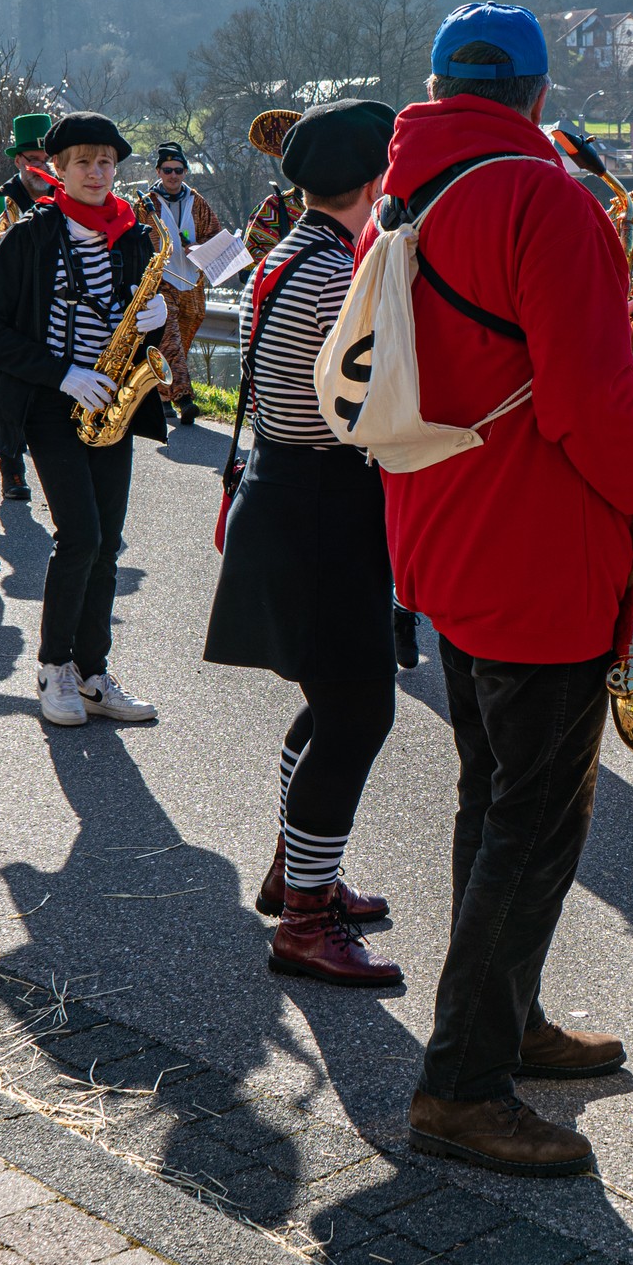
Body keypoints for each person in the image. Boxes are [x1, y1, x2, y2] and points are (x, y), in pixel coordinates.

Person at [379, 3, 633, 1180]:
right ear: (542, 98)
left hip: (447, 538)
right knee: (537, 819)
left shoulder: (407, 194)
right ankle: (462, 1084)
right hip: (537, 554)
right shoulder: (544, 198)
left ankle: (497, 1023)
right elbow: (590, 410)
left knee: (490, 797)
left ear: (439, 88)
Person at [204, 98, 405, 987]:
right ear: (374, 182)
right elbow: (365, 408)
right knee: (360, 713)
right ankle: (307, 920)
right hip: (322, 505)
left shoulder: (288, 254)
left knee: (331, 707)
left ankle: (300, 868)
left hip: (289, 498)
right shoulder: (340, 277)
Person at [0, 111, 169, 728]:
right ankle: (54, 669)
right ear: (56, 169)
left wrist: (155, 320)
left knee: (106, 542)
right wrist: (61, 374)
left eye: (106, 162)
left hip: (112, 401)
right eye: (83, 162)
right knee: (79, 536)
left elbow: (131, 315)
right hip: (52, 405)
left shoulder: (133, 236)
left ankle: (92, 672)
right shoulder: (31, 237)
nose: (98, 172)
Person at [0, 113, 58, 503]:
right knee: (6, 387)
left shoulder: (62, 196)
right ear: (18, 162)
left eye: (47, 159)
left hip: (51, 305)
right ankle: (11, 469)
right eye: (33, 160)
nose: (41, 167)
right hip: (10, 304)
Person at [138, 143, 225, 426]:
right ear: (158, 171)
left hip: (193, 281)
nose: (173, 175)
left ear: (185, 171)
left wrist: (198, 247)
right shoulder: (145, 204)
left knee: (180, 341)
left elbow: (215, 235)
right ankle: (184, 399)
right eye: (167, 170)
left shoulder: (196, 201)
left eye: (178, 170)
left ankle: (161, 395)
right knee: (171, 336)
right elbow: (134, 241)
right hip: (161, 282)